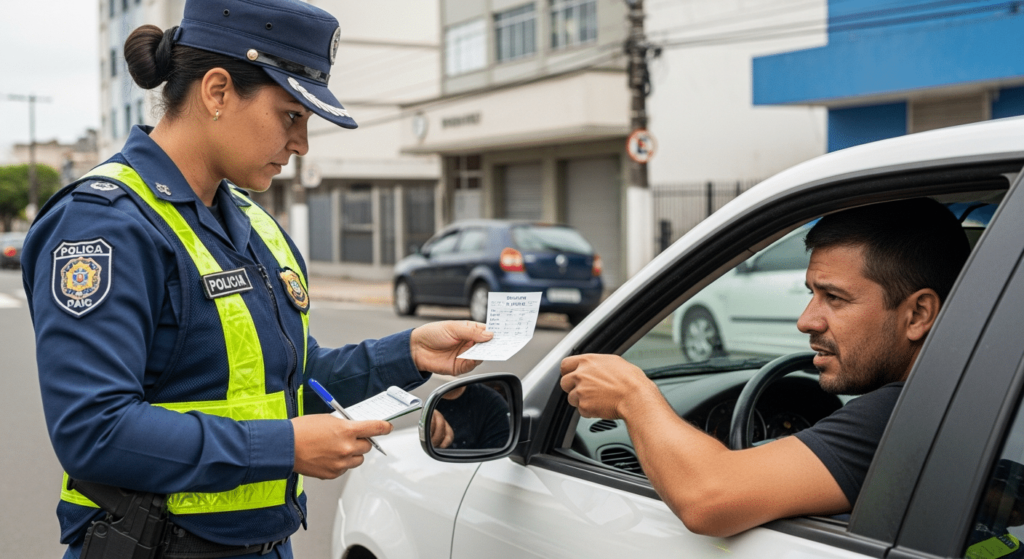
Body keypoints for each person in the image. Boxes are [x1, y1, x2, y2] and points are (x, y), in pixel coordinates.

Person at [23, 1, 492, 558]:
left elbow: (287, 383)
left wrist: (408, 353)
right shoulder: (105, 224)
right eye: (291, 115)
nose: (302, 144)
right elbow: (94, 431)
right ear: (218, 92)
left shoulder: (254, 224)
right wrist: (284, 448)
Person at [560, 198, 971, 537]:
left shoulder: (903, 417)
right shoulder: (968, 397)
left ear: (918, 314)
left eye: (834, 298)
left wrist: (633, 396)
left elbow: (708, 498)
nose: (806, 321)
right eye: (811, 294)